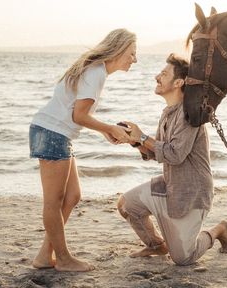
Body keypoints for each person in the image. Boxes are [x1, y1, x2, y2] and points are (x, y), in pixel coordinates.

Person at [29, 28, 137, 272]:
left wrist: (106, 131)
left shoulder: (96, 70)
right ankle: (64, 259)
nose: (135, 59)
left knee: (73, 196)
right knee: (53, 201)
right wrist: (108, 127)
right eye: (132, 53)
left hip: (55, 133)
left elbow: (78, 115)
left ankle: (45, 256)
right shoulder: (96, 72)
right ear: (119, 50)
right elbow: (78, 116)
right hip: (52, 133)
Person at [117, 54, 227, 266]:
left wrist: (142, 137)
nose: (156, 77)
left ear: (178, 82)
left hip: (192, 192)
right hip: (171, 185)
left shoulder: (189, 115)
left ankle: (218, 230)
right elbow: (157, 152)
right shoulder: (168, 113)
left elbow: (175, 154)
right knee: (126, 205)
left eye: (163, 74)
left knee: (183, 258)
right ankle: (156, 246)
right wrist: (133, 141)